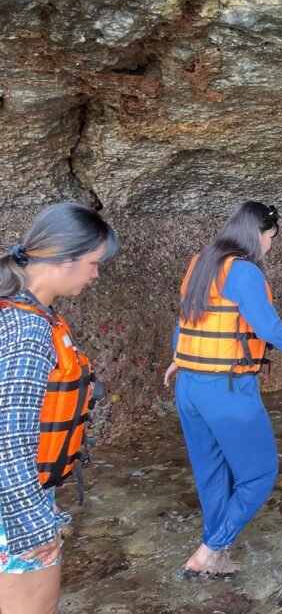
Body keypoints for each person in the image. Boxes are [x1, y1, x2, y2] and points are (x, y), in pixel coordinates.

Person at [163, 202, 282, 578]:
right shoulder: (244, 271)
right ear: (259, 234)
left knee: (212, 474)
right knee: (259, 475)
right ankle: (207, 553)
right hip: (226, 388)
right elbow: (269, 329)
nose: (269, 247)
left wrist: (179, 357)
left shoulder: (200, 263)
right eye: (270, 239)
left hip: (189, 385)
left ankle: (217, 556)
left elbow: (187, 318)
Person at [0, 203, 119, 614]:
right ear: (63, 260)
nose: (96, 274)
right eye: (92, 263)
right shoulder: (28, 330)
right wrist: (32, 525)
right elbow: (8, 441)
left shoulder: (13, 308)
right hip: (12, 507)